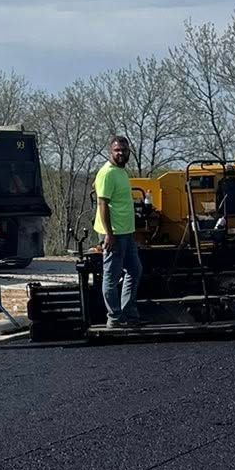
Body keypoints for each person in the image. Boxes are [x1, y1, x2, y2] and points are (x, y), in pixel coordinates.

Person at [94, 134, 142, 327]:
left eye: (123, 150)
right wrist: (109, 234)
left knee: (134, 270)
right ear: (110, 151)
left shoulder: (121, 172)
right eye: (117, 150)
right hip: (114, 233)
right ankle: (114, 317)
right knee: (111, 276)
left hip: (126, 232)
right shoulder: (107, 173)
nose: (121, 153)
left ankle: (129, 312)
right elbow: (102, 204)